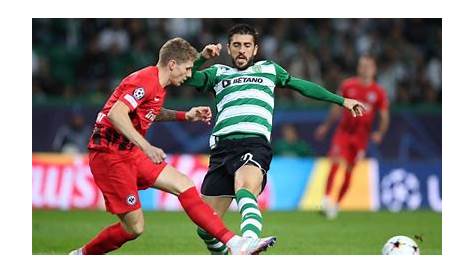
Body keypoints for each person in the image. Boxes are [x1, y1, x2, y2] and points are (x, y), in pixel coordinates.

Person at [69, 37, 276, 255]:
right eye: (187, 69)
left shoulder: (158, 85)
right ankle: (81, 255)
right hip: (109, 157)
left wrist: (185, 115)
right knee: (134, 228)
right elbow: (116, 114)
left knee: (183, 183)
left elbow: (150, 112)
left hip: (130, 153)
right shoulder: (144, 80)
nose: (189, 75)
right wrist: (146, 146)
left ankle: (234, 243)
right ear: (172, 64)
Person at [184, 24, 366, 254]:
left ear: (255, 49)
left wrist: (341, 101)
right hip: (221, 149)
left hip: (253, 143)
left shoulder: (268, 69)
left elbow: (301, 86)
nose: (242, 50)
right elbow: (185, 78)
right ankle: (230, 254)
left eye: (247, 45)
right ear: (229, 49)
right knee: (205, 226)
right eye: (237, 45)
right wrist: (201, 58)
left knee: (244, 186)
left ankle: (249, 240)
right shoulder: (218, 73)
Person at [315, 54, 390, 219]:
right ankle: (326, 199)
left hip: (360, 138)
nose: (365, 69)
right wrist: (326, 126)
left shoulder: (378, 92)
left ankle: (336, 204)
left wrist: (380, 133)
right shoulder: (348, 85)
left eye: (368, 66)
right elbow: (336, 108)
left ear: (374, 69)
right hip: (343, 132)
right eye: (362, 65)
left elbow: (384, 115)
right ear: (358, 67)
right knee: (334, 161)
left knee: (349, 171)